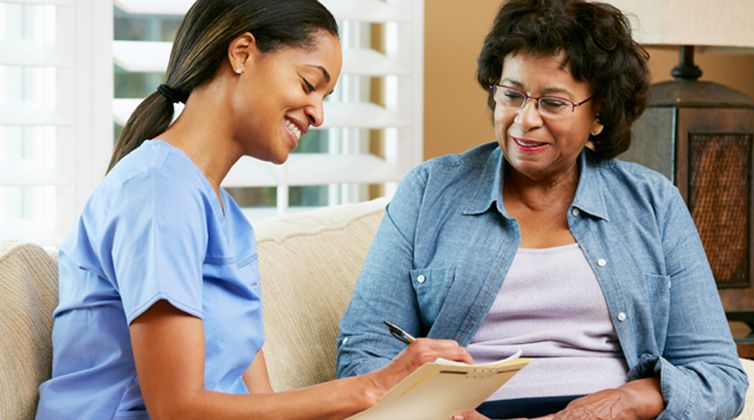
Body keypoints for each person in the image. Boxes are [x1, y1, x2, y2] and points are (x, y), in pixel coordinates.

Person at [35, 1, 472, 418]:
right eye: (308, 84)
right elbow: (177, 409)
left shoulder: (230, 222)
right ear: (242, 53)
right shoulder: (157, 192)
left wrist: (403, 400)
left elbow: (261, 405)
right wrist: (372, 386)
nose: (318, 114)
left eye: (327, 95)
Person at [336, 0, 748, 418]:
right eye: (512, 95)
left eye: (553, 103)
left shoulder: (653, 203)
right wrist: (437, 412)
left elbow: (718, 375)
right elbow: (364, 349)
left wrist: (627, 401)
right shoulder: (429, 191)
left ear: (600, 111)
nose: (525, 120)